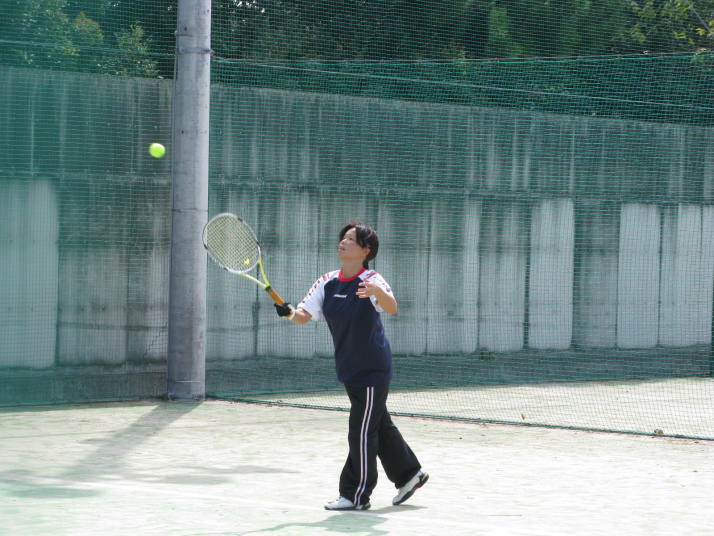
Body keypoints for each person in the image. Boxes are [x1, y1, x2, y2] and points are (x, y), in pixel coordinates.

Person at [274, 221, 428, 511]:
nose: (343, 242)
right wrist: (289, 312)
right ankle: (410, 474)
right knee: (377, 424)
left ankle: (356, 495)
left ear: (365, 250)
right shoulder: (327, 281)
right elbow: (304, 316)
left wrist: (377, 291)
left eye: (350, 240)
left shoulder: (371, 279)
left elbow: (392, 307)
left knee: (361, 431)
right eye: (342, 238)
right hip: (349, 367)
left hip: (372, 369)